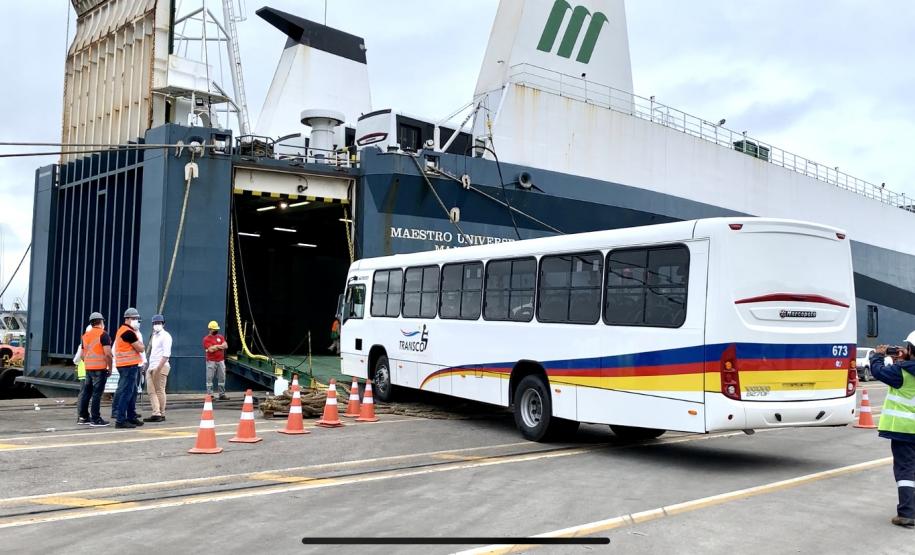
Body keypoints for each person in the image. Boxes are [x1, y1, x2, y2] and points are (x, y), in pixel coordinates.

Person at [870, 333, 915, 529]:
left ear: (911, 349)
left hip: (905, 430)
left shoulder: (901, 372)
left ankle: (907, 513)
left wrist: (878, 356)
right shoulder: (902, 368)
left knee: (905, 470)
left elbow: (878, 371)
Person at [76, 313, 113, 427]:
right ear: (101, 322)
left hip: (88, 369)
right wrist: (110, 368)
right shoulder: (104, 334)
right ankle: (96, 419)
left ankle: (83, 417)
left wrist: (89, 363)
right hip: (100, 369)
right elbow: (108, 354)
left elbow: (82, 355)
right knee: (97, 394)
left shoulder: (85, 336)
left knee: (86, 392)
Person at [111, 308, 146, 429]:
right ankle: (120, 420)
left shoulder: (123, 330)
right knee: (127, 393)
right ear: (128, 319)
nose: (137, 321)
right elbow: (141, 348)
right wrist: (140, 345)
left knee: (132, 392)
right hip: (128, 366)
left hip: (126, 365)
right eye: (135, 318)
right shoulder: (128, 333)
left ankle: (131, 416)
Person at [143, 314, 172, 423]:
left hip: (161, 366)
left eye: (159, 323)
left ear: (163, 324)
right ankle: (157, 413)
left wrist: (158, 368)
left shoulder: (166, 336)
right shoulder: (154, 336)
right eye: (155, 323)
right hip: (152, 366)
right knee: (151, 391)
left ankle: (160, 413)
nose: (157, 325)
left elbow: (166, 354)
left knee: (159, 390)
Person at [202, 321, 228, 400]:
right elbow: (210, 350)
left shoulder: (220, 337)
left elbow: (226, 346)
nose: (216, 330)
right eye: (214, 329)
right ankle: (210, 395)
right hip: (211, 361)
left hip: (221, 361)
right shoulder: (206, 339)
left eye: (217, 329)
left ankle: (222, 394)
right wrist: (220, 346)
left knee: (222, 378)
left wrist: (216, 346)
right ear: (210, 329)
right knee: (209, 378)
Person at [74, 324, 92, 425]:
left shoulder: (82, 345)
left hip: (83, 372)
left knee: (83, 394)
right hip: (91, 371)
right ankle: (83, 416)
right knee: (87, 394)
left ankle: (81, 416)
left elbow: (76, 359)